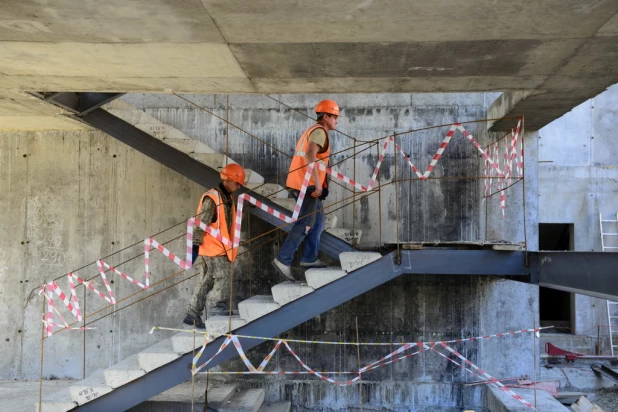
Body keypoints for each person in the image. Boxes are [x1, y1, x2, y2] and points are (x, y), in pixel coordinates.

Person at [272, 99, 340, 282]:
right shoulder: (319, 132)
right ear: (325, 116)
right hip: (307, 184)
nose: (337, 121)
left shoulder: (314, 130)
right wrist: (318, 184)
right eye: (334, 117)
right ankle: (283, 259)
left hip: (301, 181)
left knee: (318, 221)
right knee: (306, 224)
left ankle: (309, 258)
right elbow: (310, 155)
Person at [183, 163, 246, 329]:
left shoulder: (226, 198)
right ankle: (218, 309)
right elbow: (200, 223)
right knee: (224, 277)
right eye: (237, 183)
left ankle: (193, 313)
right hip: (213, 249)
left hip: (219, 248)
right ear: (227, 180)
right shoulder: (213, 198)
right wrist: (194, 248)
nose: (238, 187)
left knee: (206, 281)